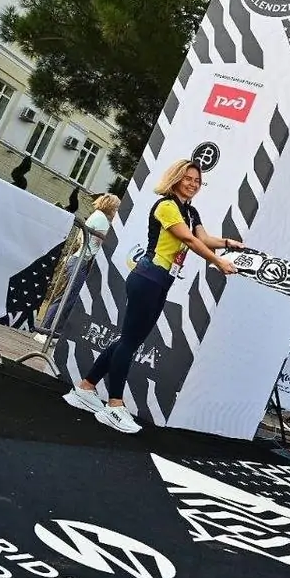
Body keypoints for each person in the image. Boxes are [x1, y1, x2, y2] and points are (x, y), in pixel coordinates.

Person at [63, 159, 241, 434]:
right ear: (176, 179)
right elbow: (190, 241)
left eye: (197, 180)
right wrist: (218, 262)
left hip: (160, 282)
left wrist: (229, 243)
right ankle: (114, 405)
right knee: (129, 341)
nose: (193, 184)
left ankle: (85, 388)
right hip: (147, 278)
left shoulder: (190, 211)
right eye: (188, 178)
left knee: (129, 340)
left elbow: (203, 238)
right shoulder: (166, 206)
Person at [36, 192, 121, 342]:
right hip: (81, 261)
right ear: (110, 207)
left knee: (69, 297)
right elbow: (104, 242)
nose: (117, 212)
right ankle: (46, 330)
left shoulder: (97, 215)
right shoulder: (102, 219)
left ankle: (52, 331)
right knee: (69, 297)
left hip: (79, 260)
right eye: (116, 208)